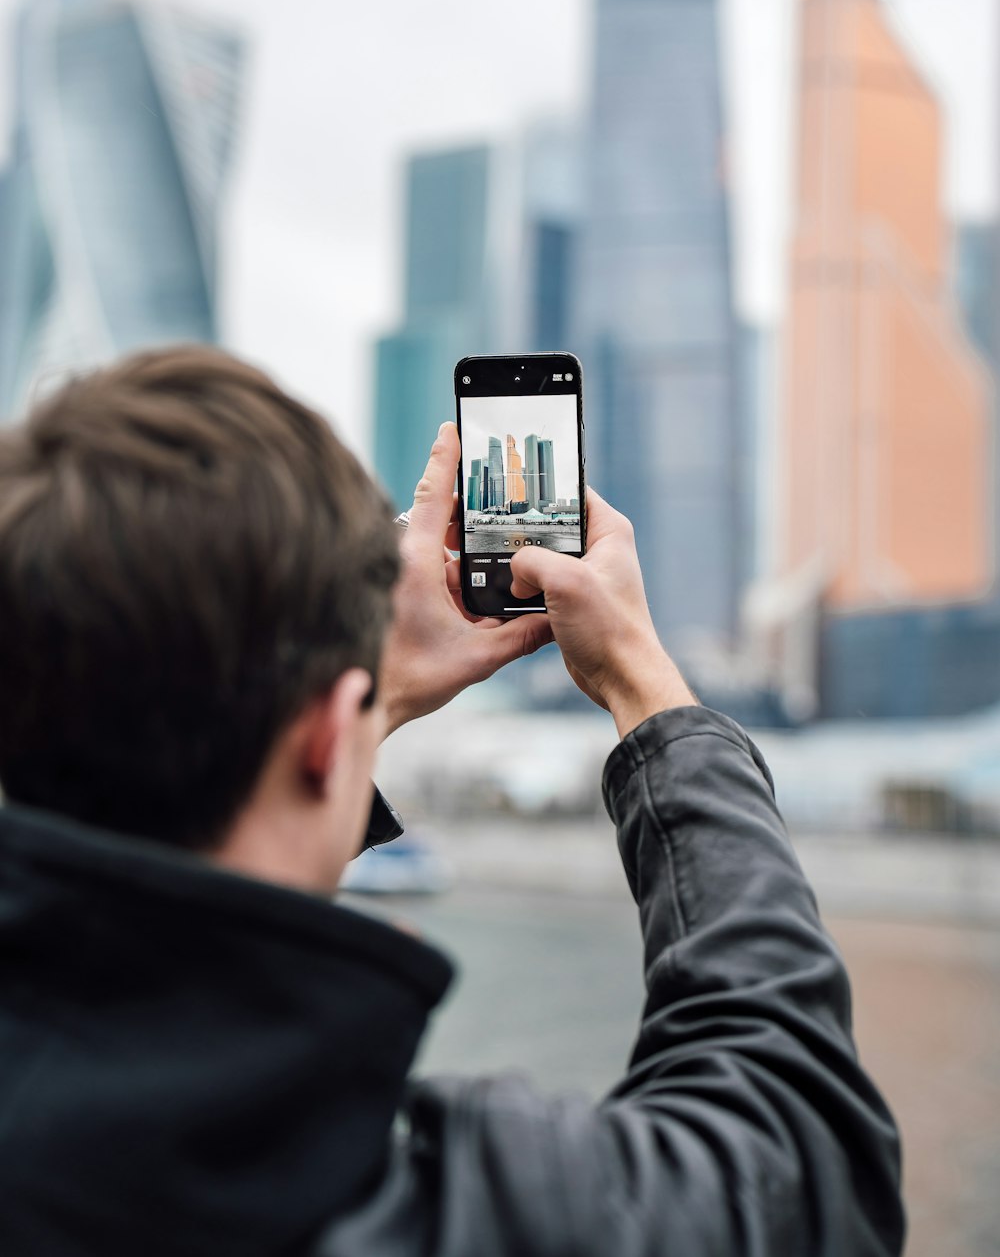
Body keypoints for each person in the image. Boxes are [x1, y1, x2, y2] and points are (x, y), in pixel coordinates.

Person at [0, 346, 904, 1257]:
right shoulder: (425, 1215)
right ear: (326, 738)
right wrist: (643, 679)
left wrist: (351, 699)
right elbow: (799, 1153)